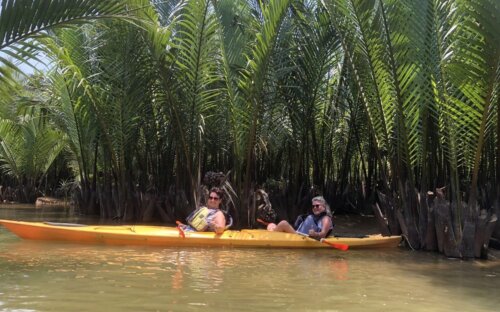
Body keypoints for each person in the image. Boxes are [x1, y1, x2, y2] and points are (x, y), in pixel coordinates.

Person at [267, 196, 333, 239]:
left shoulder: (326, 218)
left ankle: (269, 239)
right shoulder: (315, 217)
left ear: (324, 207)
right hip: (298, 234)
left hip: (301, 238)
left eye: (317, 206)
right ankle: (272, 235)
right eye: (313, 206)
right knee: (271, 225)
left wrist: (315, 234)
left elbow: (323, 234)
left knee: (283, 223)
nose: (315, 208)